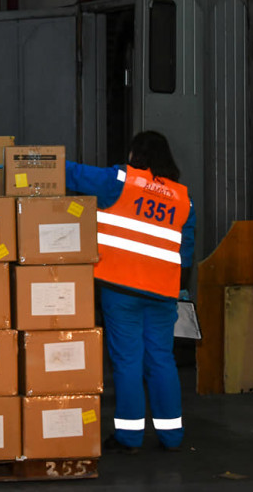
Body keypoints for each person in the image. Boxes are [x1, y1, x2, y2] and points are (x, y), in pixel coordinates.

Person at [65, 130, 196, 453]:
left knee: (127, 362)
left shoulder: (121, 180)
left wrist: (26, 162)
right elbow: (186, 253)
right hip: (162, 293)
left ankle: (129, 437)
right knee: (161, 360)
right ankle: (172, 436)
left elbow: (74, 174)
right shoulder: (183, 199)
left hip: (121, 289)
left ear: (135, 155)